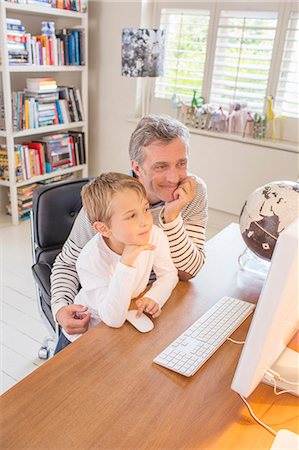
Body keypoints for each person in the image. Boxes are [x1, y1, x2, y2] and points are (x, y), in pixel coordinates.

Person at [51, 114, 208, 336]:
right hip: (101, 310)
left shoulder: (193, 192)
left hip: (150, 304)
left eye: (181, 163)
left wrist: (172, 218)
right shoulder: (107, 208)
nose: (174, 177)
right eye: (161, 166)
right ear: (136, 166)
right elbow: (67, 264)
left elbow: (188, 271)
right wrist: (59, 308)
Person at [55, 172, 178, 353]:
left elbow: (168, 274)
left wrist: (155, 297)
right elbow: (112, 318)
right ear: (104, 228)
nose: (145, 221)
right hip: (87, 333)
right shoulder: (91, 258)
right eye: (131, 216)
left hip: (123, 321)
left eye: (145, 209)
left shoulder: (154, 235)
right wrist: (126, 263)